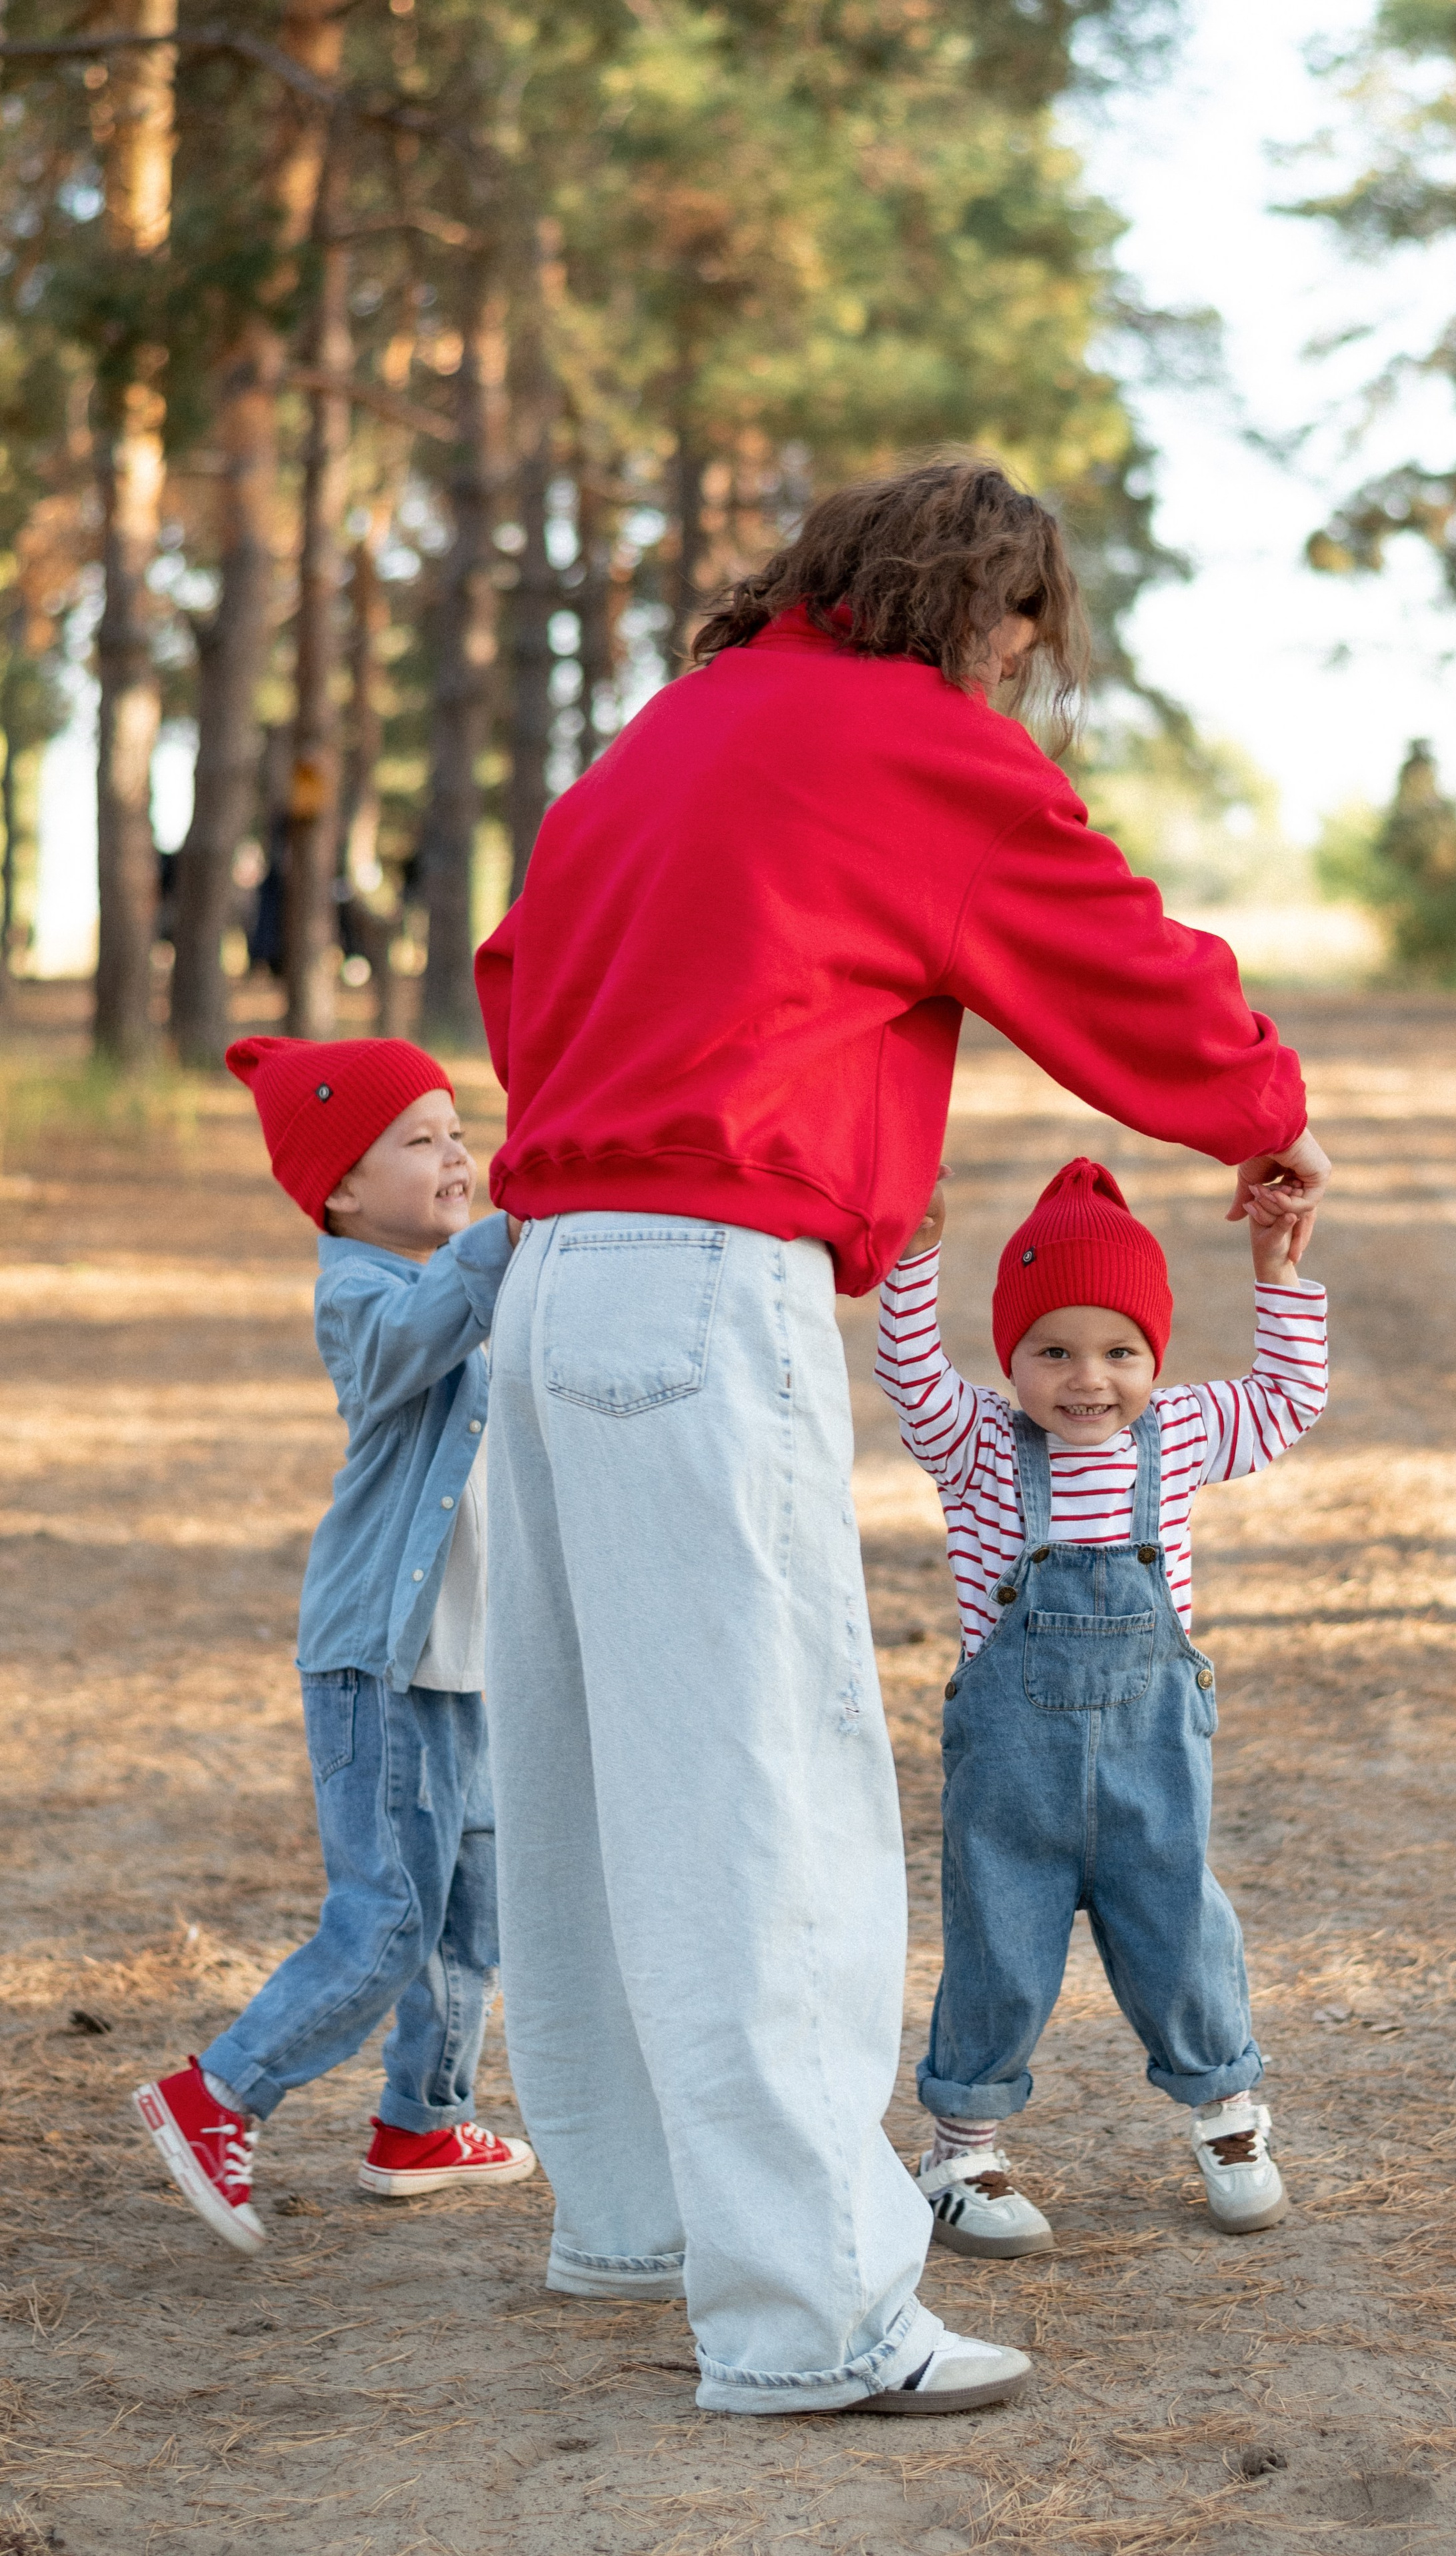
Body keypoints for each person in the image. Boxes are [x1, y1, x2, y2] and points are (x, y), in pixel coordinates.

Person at [474, 458, 1331, 2416]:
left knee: (597, 1773)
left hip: (554, 1271)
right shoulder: (918, 745)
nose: (1034, 672)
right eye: (1033, 632)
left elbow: (519, 981)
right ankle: (809, 2314)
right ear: (982, 603)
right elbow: (1110, 950)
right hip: (710, 1272)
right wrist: (1258, 1103)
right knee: (768, 1800)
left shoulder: (669, 734)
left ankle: (637, 2220)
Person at [875, 1156, 1328, 2259]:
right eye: (1055, 1351)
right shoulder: (979, 1445)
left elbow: (1288, 1399)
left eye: (1121, 1351)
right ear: (1013, 1355)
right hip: (1013, 1779)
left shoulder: (1174, 1437)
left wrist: (1276, 1269)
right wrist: (914, 1251)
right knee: (998, 1946)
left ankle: (1228, 2120)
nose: (1089, 1379)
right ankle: (961, 2151)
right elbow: (910, 1376)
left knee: (1182, 1934)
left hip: (1150, 1767)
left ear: (1155, 1356)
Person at [133, 1037, 535, 2254]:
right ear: (343, 1193)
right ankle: (219, 2090)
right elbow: (422, 1332)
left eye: (460, 1129)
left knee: (475, 1906)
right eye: (420, 1140)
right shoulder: (364, 1296)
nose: (458, 1152)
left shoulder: (465, 1283)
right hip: (383, 1664)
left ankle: (424, 2117)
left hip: (469, 1667)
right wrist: (509, 1222)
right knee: (390, 1913)